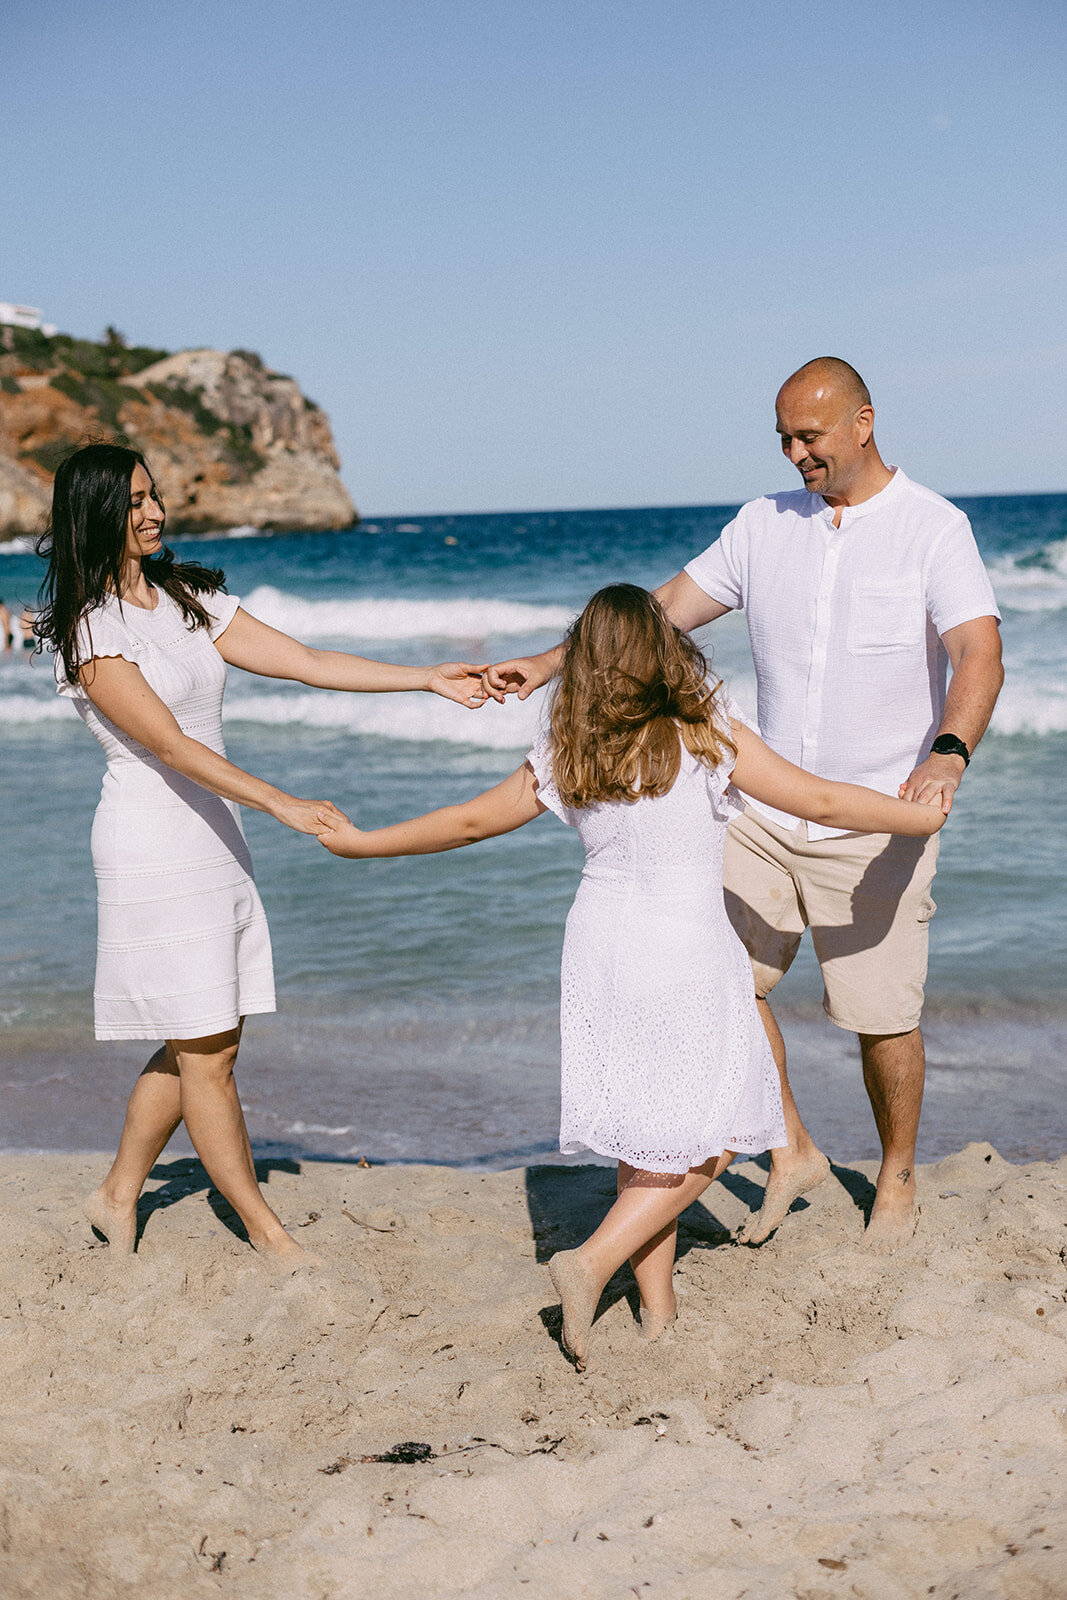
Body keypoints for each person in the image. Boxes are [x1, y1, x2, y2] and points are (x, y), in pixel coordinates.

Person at [317, 584, 946, 1367]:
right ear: (662, 649)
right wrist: (919, 814)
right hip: (683, 945)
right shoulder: (704, 732)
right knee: (725, 1122)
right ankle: (590, 1262)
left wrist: (364, 842)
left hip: (600, 945)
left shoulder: (566, 747)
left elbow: (473, 821)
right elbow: (815, 797)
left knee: (642, 1128)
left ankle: (659, 1313)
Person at [482, 358, 1003, 1252]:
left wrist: (947, 755)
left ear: (863, 422)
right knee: (723, 985)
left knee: (882, 1018)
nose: (796, 454)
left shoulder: (932, 528)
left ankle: (897, 1172)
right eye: (785, 440)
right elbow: (656, 615)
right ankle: (793, 1146)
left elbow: (976, 652)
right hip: (757, 816)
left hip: (873, 816)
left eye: (810, 437)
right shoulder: (762, 524)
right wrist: (546, 661)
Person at [36, 442, 488, 1263]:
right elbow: (169, 748)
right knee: (206, 1048)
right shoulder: (87, 631)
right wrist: (279, 800)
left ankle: (115, 1192)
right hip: (153, 842)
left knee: (204, 1033)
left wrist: (424, 678)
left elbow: (308, 663)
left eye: (156, 495)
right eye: (135, 501)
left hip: (213, 834)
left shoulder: (186, 600)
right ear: (94, 513)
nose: (154, 512)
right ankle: (268, 1233)